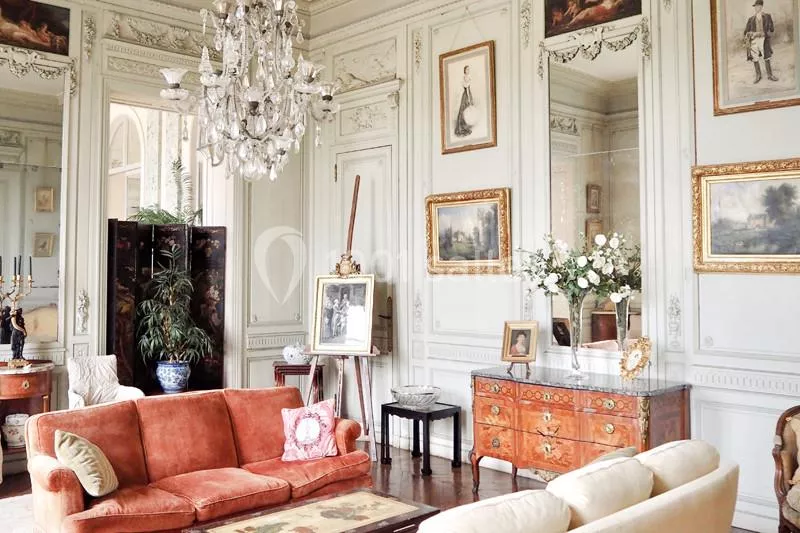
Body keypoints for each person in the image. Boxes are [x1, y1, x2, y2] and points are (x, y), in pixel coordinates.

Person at [745, 0, 779, 83]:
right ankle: (758, 75)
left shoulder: (767, 17)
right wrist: (750, 34)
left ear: (761, 7)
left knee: (766, 57)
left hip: (764, 39)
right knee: (755, 58)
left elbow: (772, 29)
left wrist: (765, 33)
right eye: (755, 6)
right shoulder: (751, 19)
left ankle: (770, 75)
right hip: (754, 40)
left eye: (758, 6)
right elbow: (746, 31)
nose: (757, 8)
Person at [454, 65, 474, 138]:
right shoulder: (466, 78)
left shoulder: (466, 77)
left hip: (466, 94)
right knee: (464, 110)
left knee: (465, 110)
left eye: (468, 69)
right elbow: (467, 89)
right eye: (467, 69)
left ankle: (465, 125)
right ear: (465, 70)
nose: (468, 71)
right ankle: (462, 127)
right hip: (466, 95)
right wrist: (469, 98)